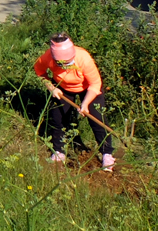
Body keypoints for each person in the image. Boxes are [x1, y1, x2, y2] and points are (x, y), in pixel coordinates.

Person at [34, 33, 115, 171]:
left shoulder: (84, 58)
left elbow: (95, 84)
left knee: (97, 119)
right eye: (61, 64)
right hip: (62, 87)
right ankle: (59, 150)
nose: (65, 66)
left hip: (88, 89)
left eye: (68, 62)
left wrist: (85, 104)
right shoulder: (47, 57)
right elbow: (39, 72)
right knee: (58, 117)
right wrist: (51, 87)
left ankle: (107, 153)